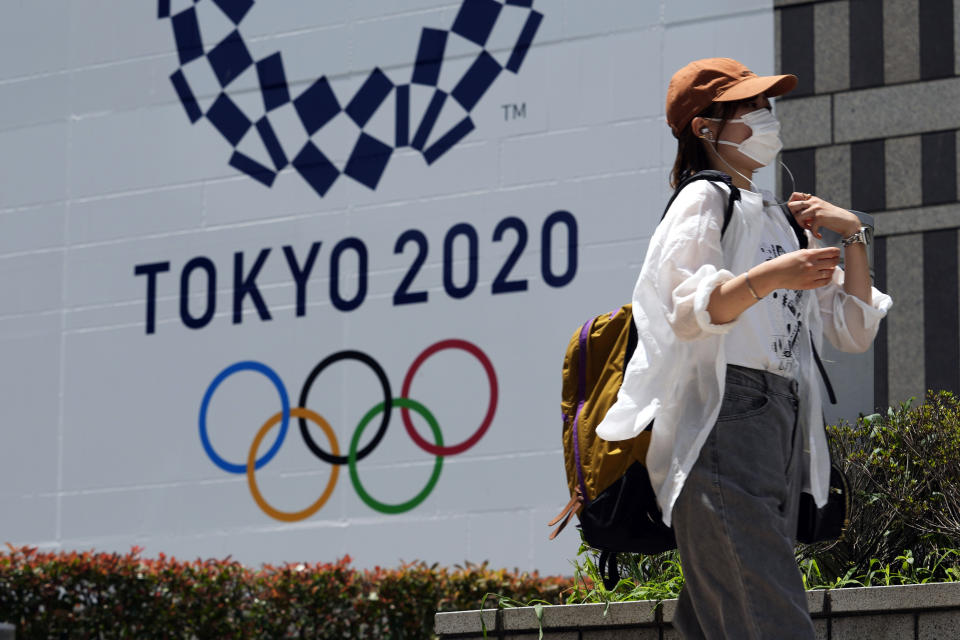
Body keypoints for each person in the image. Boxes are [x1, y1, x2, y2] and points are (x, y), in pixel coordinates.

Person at [595, 58, 893, 639]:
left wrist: (851, 234)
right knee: (770, 614)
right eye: (749, 110)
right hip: (722, 419)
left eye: (767, 107)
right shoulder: (703, 200)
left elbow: (853, 331)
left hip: (779, 422)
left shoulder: (780, 220)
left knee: (724, 614)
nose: (767, 120)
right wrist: (775, 275)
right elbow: (688, 312)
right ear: (705, 129)